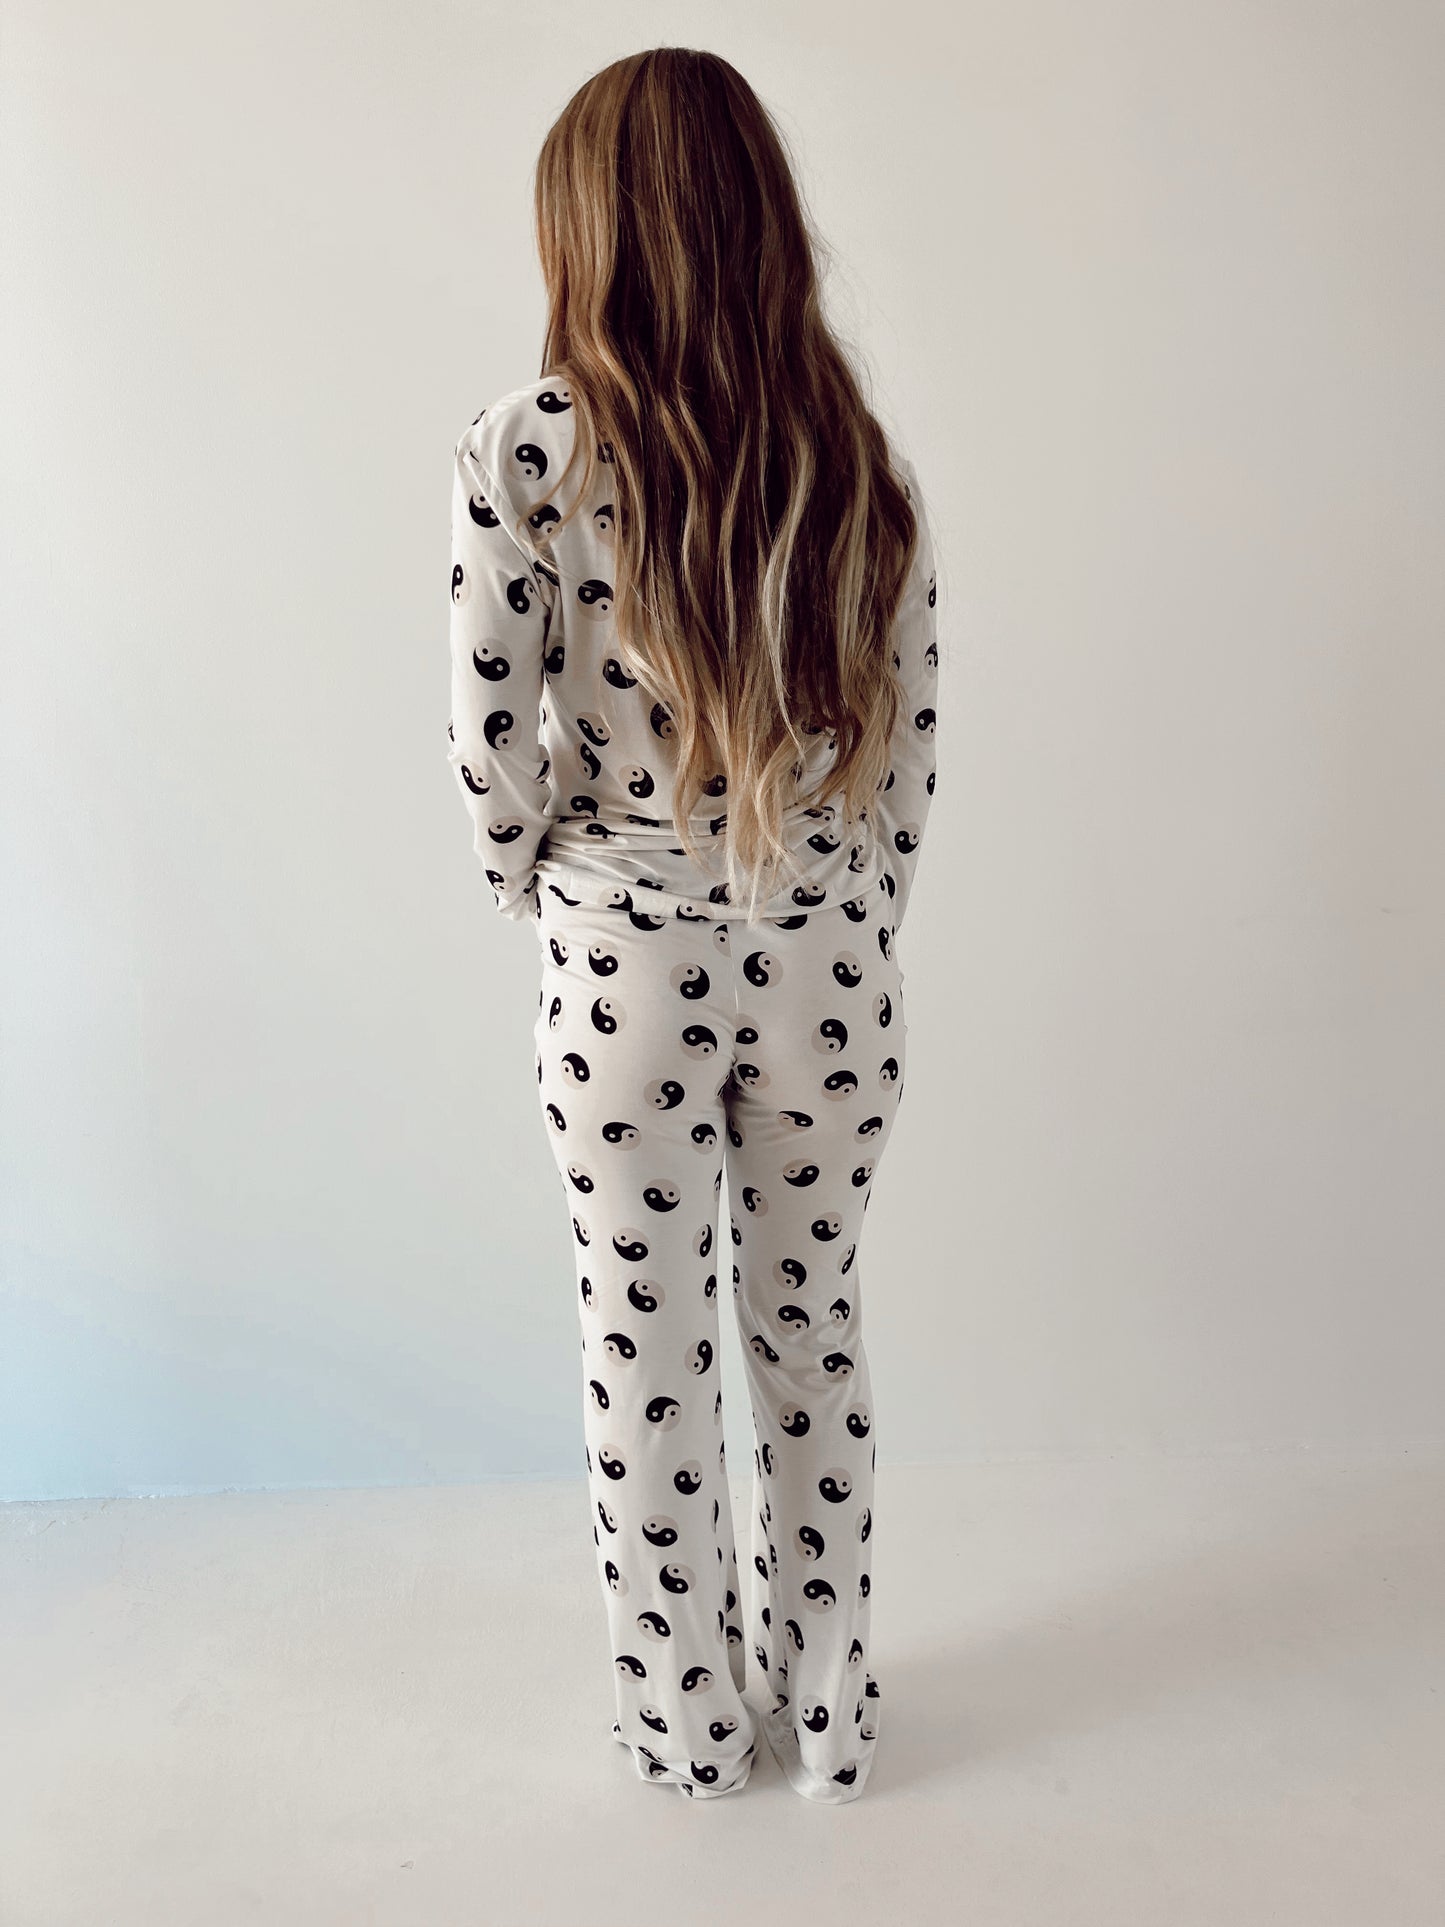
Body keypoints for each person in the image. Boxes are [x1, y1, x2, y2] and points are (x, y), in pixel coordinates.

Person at [444, 47, 939, 1804]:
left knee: (640, 1354)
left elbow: (494, 741)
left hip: (622, 974)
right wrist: (845, 912)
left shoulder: (529, 445)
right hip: (821, 963)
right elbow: (905, 746)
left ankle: (687, 1722)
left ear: (585, 229)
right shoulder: (849, 451)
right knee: (809, 1332)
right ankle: (828, 1715)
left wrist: (547, 886)